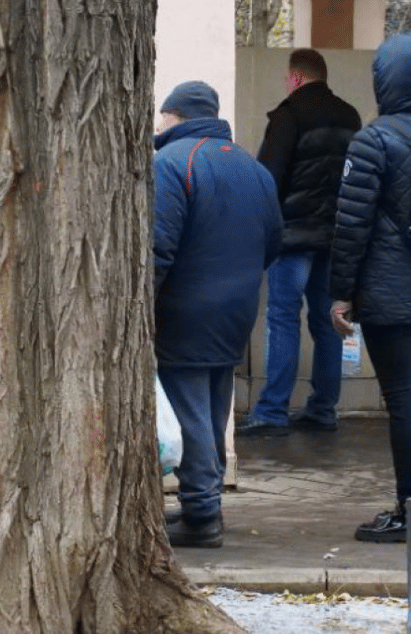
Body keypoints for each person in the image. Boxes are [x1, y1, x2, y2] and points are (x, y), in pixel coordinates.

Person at [330, 34, 411, 544]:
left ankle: (409, 512)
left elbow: (351, 225)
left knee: (404, 396)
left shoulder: (373, 140)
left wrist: (341, 292)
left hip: (385, 286)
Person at [153, 82, 283, 548]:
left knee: (189, 412)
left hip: (183, 308)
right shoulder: (251, 166)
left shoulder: (170, 162)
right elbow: (273, 240)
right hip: (237, 310)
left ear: (173, 116)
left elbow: (158, 248)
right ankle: (203, 503)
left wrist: (143, 305)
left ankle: (202, 513)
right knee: (211, 408)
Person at [238, 49, 361, 437]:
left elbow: (268, 177)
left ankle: (273, 411)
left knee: (282, 319)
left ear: (295, 78)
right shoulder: (350, 117)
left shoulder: (289, 115)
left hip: (292, 237)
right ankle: (324, 409)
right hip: (335, 238)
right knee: (327, 323)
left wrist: (259, 231)